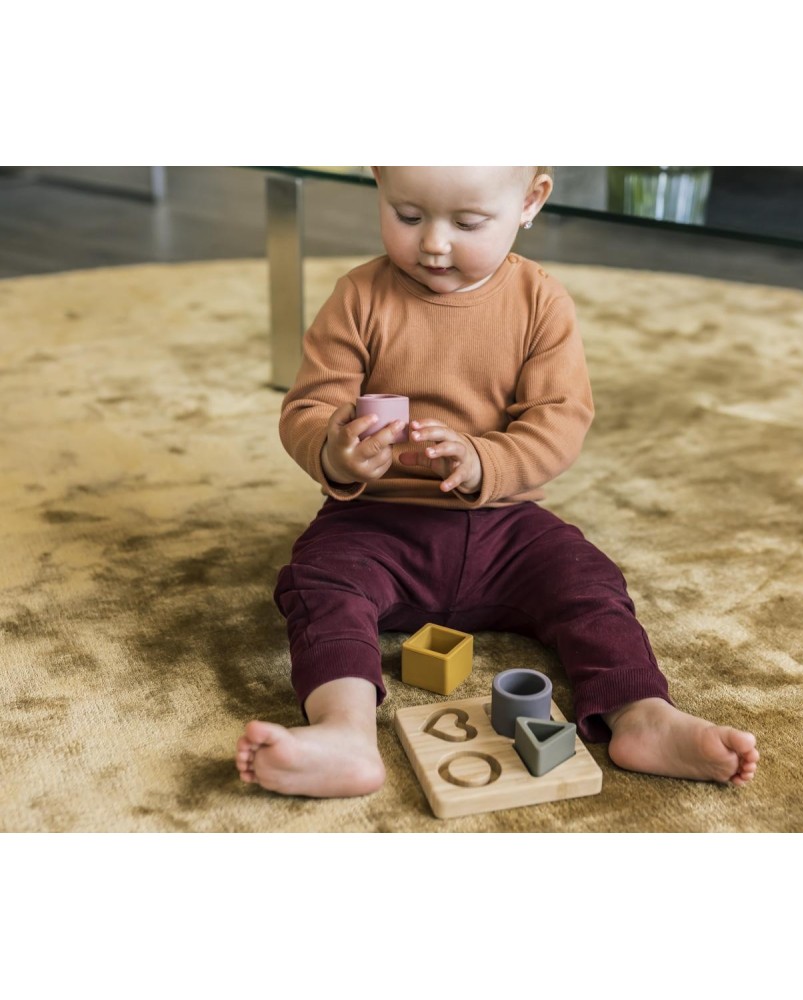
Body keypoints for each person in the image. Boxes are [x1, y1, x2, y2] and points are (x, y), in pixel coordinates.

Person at [236, 166, 759, 798]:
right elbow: (309, 407)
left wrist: (485, 460)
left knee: (588, 581)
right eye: (407, 215)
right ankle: (344, 731)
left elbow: (560, 419)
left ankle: (642, 715)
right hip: (374, 521)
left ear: (531, 201)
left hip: (504, 524)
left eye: (467, 222)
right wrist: (336, 450)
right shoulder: (358, 296)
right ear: (378, 184)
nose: (433, 243)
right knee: (320, 582)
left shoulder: (540, 301)